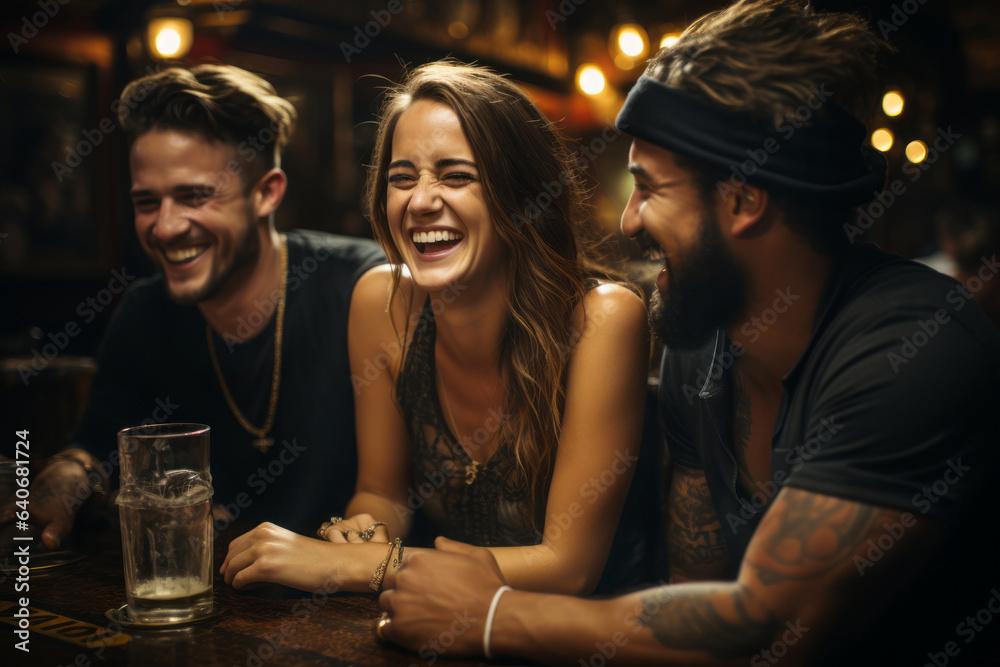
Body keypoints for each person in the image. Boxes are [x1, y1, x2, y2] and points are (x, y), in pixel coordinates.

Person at [375, 2, 1000, 665]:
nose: (628, 221)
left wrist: (492, 615)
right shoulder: (700, 347)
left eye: (647, 188)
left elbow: (767, 626)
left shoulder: (914, 343)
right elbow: (689, 596)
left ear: (742, 200)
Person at [220, 61, 650, 596]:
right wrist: (363, 533)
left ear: (522, 195)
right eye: (401, 178)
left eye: (457, 175)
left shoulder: (603, 319)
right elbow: (381, 494)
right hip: (445, 625)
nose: (420, 202)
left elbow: (568, 568)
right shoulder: (380, 300)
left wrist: (353, 567)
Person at [0, 64, 385, 544]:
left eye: (194, 196)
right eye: (146, 202)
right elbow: (94, 447)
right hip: (210, 596)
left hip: (348, 599)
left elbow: (398, 500)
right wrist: (67, 476)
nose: (164, 227)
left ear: (266, 192)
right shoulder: (145, 311)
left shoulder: (361, 289)